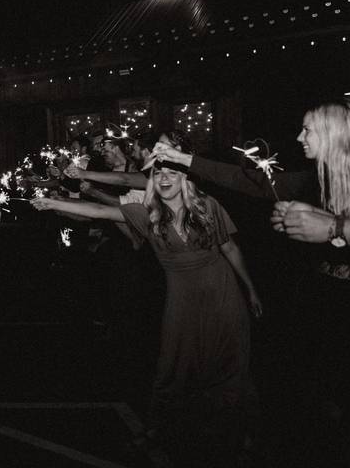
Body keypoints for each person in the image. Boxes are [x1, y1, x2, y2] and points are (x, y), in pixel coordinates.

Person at [153, 100, 350, 466]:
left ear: (332, 134)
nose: (300, 137)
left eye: (308, 129)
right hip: (318, 315)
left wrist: (333, 229)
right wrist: (182, 159)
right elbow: (244, 180)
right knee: (317, 415)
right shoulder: (310, 183)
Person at [33, 164, 262, 465]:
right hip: (182, 299)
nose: (165, 179)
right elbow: (97, 212)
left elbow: (230, 248)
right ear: (152, 181)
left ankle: (242, 437)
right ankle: (160, 429)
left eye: (172, 174)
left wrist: (250, 288)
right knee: (174, 363)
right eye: (158, 175)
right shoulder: (145, 213)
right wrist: (52, 203)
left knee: (231, 362)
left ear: (185, 179)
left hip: (223, 293)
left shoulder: (208, 206)